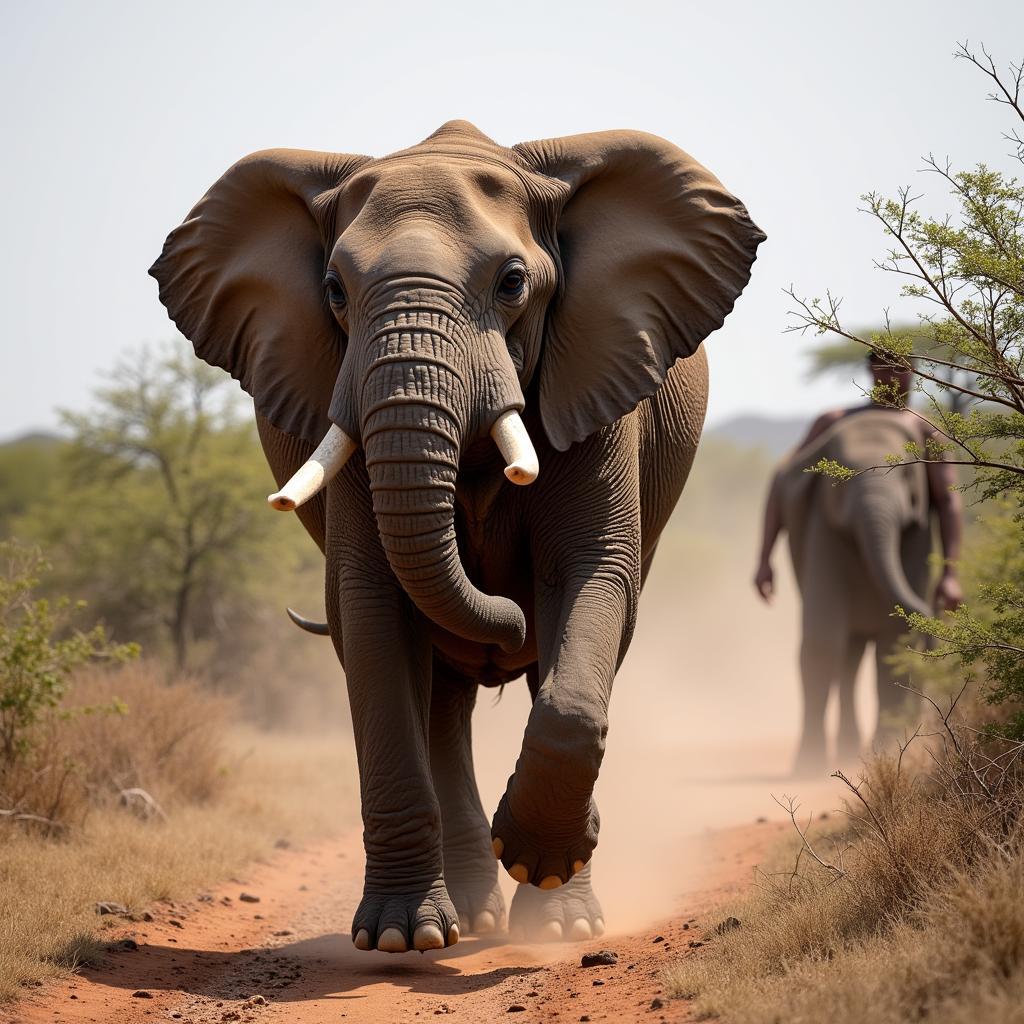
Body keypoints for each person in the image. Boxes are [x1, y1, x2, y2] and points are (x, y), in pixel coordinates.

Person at [753, 351, 963, 770]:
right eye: (883, 366)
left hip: (905, 555)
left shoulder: (924, 430)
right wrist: (764, 558)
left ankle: (888, 756)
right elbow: (785, 480)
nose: (891, 375)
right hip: (835, 556)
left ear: (914, 373)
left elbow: (948, 501)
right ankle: (814, 737)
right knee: (822, 643)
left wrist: (950, 574)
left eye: (900, 367)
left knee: (898, 651)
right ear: (869, 371)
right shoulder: (833, 421)